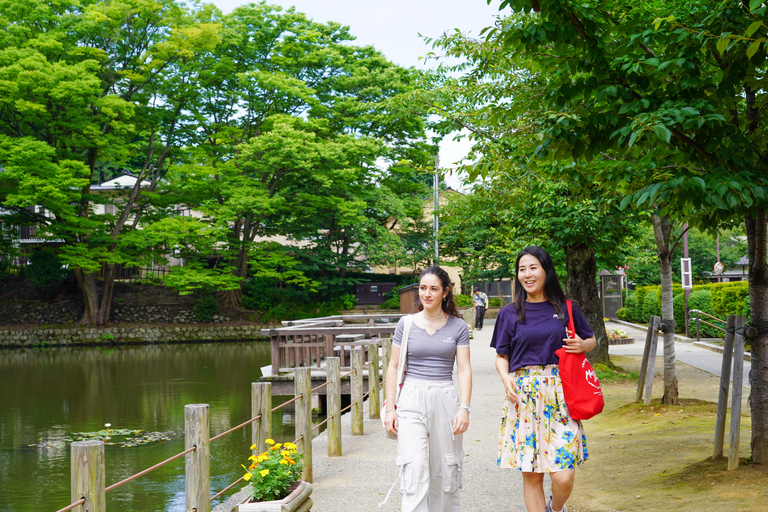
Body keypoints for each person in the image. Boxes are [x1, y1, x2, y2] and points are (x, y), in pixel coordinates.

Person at [490, 246, 596, 512]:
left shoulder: (566, 308)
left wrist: (583, 345)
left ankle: (555, 507)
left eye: (533, 267)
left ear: (546, 270)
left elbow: (591, 339)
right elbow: (502, 356)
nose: (527, 274)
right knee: (532, 473)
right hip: (524, 395)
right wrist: (506, 379)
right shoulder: (509, 313)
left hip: (561, 393)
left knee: (563, 474)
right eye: (522, 269)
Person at [384, 266, 472, 512]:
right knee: (415, 467)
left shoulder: (458, 327)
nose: (427, 293)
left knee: (445, 468)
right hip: (411, 398)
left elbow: (464, 369)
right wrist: (391, 408)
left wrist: (464, 408)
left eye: (434, 289)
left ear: (445, 292)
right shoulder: (406, 324)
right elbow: (392, 368)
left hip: (445, 397)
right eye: (423, 288)